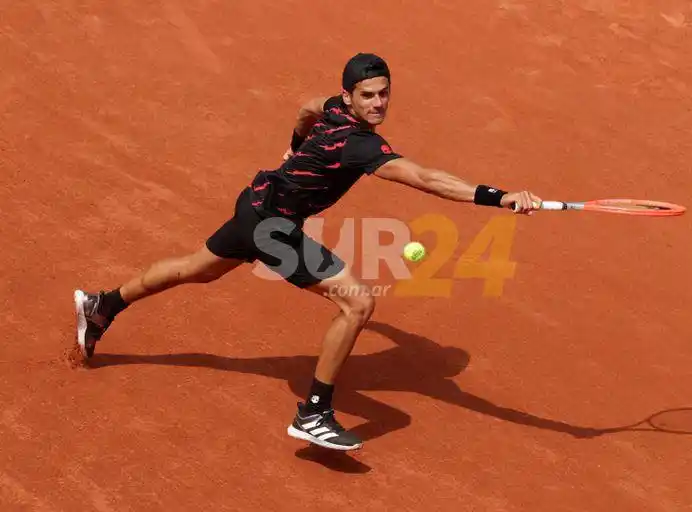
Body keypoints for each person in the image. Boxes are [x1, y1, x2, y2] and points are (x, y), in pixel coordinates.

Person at [73, 53, 542, 451]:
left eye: (384, 93)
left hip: (257, 202)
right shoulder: (360, 144)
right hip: (272, 228)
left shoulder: (331, 107)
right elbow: (423, 178)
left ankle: (103, 304)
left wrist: (296, 147)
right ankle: (314, 412)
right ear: (351, 97)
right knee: (358, 301)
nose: (378, 103)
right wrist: (498, 197)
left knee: (197, 269)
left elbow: (306, 107)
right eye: (368, 96)